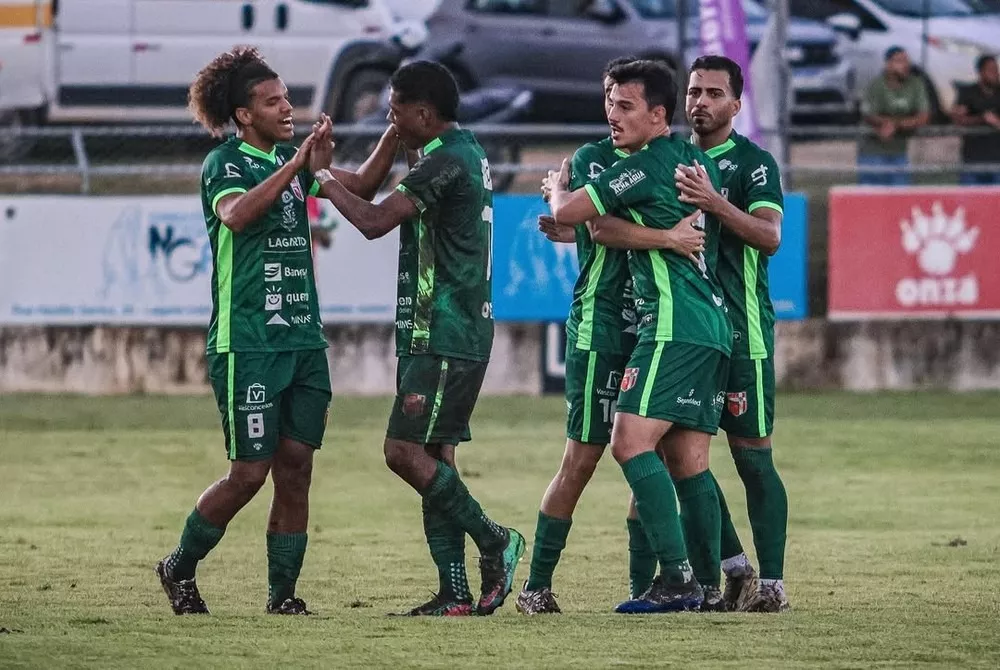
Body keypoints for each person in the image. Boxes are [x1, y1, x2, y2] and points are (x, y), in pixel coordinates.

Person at [154, 46, 399, 616]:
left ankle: (283, 596)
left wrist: (392, 130)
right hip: (248, 343)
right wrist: (298, 166)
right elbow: (236, 215)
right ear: (243, 115)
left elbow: (359, 187)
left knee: (296, 468)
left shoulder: (292, 162)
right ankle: (179, 566)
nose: (287, 107)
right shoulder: (227, 164)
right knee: (248, 472)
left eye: (287, 96)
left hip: (303, 342)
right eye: (273, 101)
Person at [309, 60, 524, 616]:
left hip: (445, 331)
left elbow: (374, 219)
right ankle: (454, 592)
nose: (388, 118)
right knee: (434, 457)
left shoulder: (447, 161)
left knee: (402, 452)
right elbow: (363, 185)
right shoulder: (443, 144)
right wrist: (331, 172)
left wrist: (323, 179)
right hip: (435, 329)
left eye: (395, 110)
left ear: (424, 114)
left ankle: (495, 539)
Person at [517, 58, 706, 615]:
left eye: (624, 105)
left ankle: (646, 585)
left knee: (641, 456)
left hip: (654, 326)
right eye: (609, 102)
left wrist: (566, 213)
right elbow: (592, 225)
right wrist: (664, 239)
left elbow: (578, 218)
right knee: (582, 458)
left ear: (656, 114)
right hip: (602, 327)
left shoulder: (670, 162)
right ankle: (537, 586)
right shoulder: (590, 160)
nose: (612, 113)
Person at [676, 55, 790, 613]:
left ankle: (772, 583)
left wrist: (714, 202)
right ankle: (734, 568)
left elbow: (769, 237)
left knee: (752, 459)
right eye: (694, 91)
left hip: (743, 335)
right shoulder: (668, 159)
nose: (700, 102)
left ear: (736, 104)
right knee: (682, 456)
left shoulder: (754, 164)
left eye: (713, 93)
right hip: (688, 336)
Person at [858, 46, 930, 186]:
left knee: (899, 198)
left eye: (907, 61)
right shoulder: (876, 85)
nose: (906, 65)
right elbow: (869, 115)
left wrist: (894, 124)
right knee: (872, 199)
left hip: (899, 152)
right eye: (900, 61)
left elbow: (924, 116)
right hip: (872, 152)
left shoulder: (916, 84)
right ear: (888, 65)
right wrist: (897, 123)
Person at [950, 54, 1000, 185]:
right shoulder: (968, 92)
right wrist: (982, 119)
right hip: (972, 159)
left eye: (996, 69)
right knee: (970, 200)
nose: (995, 73)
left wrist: (996, 122)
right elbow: (958, 119)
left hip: (997, 161)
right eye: (991, 70)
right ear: (981, 72)